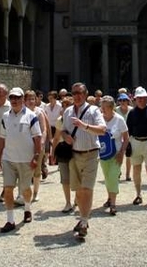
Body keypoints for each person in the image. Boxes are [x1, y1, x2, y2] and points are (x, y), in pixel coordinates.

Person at [61, 82, 106, 239]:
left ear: (86, 94)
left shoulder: (93, 111)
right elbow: (63, 130)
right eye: (74, 93)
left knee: (87, 189)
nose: (77, 96)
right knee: (79, 191)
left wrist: (84, 126)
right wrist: (65, 136)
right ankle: (82, 218)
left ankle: (84, 222)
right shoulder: (67, 112)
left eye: (80, 93)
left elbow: (102, 130)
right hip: (74, 155)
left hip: (91, 154)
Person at [0, 87, 42, 233]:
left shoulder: (31, 115)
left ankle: (27, 208)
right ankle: (10, 220)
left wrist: (36, 157)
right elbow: (2, 138)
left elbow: (38, 138)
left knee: (25, 189)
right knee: (8, 188)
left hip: (26, 159)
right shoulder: (5, 117)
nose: (14, 100)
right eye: (12, 98)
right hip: (9, 159)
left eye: (17, 98)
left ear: (22, 99)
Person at [99, 96, 129, 215]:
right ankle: (109, 197)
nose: (102, 109)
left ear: (111, 108)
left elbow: (126, 138)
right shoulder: (99, 119)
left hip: (116, 154)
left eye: (105, 107)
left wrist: (122, 153)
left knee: (112, 177)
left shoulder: (119, 119)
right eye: (102, 107)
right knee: (107, 178)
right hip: (103, 154)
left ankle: (113, 204)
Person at [51, 96, 75, 212]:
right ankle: (68, 202)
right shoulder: (60, 120)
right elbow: (56, 138)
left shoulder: (77, 118)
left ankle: (76, 199)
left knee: (76, 177)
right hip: (63, 151)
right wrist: (52, 153)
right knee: (65, 179)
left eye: (68, 106)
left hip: (76, 151)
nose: (65, 108)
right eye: (64, 106)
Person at [24, 89, 48, 202]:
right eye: (28, 99)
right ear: (24, 101)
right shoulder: (21, 112)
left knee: (37, 170)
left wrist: (42, 143)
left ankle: (35, 193)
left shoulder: (39, 112)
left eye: (32, 99)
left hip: (37, 145)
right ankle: (25, 193)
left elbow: (44, 129)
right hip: (25, 145)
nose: (31, 101)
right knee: (25, 169)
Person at [44, 90, 61, 165]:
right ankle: (50, 159)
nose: (49, 99)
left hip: (57, 126)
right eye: (49, 98)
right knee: (49, 142)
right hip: (49, 126)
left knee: (56, 143)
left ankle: (56, 159)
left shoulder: (60, 106)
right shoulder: (46, 106)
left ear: (55, 98)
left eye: (51, 98)